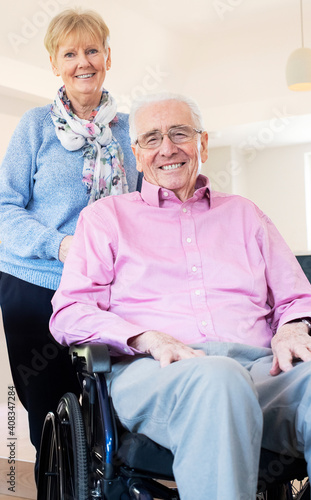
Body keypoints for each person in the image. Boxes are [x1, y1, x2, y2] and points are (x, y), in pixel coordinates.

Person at [50, 92, 311, 499]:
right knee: (218, 379)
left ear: (202, 144)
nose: (167, 148)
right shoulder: (105, 220)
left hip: (262, 371)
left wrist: (294, 328)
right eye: (152, 138)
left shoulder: (246, 214)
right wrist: (146, 338)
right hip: (157, 373)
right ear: (136, 154)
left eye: (179, 133)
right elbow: (69, 311)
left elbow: (296, 296)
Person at [0, 8, 141, 464]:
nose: (84, 61)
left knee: (112, 408)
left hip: (108, 289)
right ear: (54, 63)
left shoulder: (128, 132)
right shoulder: (36, 126)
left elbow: (141, 209)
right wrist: (61, 245)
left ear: (108, 57)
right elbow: (4, 208)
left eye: (92, 50)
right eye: (70, 53)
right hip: (36, 284)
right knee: (52, 419)